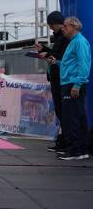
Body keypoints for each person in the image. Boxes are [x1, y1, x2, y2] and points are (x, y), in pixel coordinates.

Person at [49, 17, 91, 160]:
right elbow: (70, 65)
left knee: (71, 118)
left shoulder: (79, 42)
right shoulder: (74, 42)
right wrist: (57, 62)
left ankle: (75, 150)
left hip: (73, 84)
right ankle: (81, 149)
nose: (63, 29)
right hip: (69, 82)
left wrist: (78, 85)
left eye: (65, 26)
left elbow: (84, 65)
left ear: (73, 26)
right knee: (78, 117)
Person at [34, 11, 70, 153]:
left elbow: (60, 57)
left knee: (64, 111)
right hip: (56, 76)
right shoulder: (59, 38)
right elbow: (56, 55)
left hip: (60, 77)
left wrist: (47, 54)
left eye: (51, 25)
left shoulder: (66, 39)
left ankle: (67, 141)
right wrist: (45, 50)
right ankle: (64, 139)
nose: (50, 28)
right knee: (61, 111)